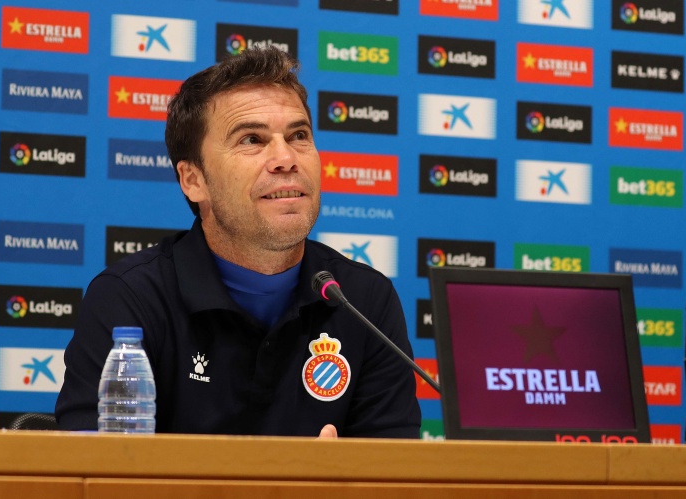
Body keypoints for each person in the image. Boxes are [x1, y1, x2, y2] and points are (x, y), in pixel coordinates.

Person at [55, 46, 421, 438]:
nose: (285, 158)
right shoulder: (130, 299)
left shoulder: (364, 301)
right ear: (193, 180)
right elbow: (95, 467)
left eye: (299, 135)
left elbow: (394, 467)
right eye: (251, 139)